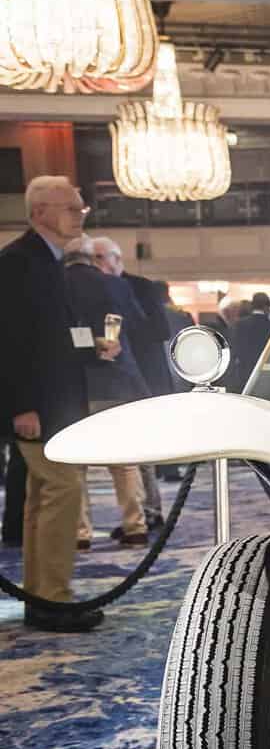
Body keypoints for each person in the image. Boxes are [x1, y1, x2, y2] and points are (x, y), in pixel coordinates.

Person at [0, 176, 101, 631]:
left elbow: (46, 338)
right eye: (71, 208)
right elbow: (9, 341)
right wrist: (21, 405)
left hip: (54, 403)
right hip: (36, 406)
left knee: (44, 497)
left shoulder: (47, 261)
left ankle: (44, 597)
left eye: (81, 208)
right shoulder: (19, 263)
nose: (80, 215)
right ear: (40, 212)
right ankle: (52, 599)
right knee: (62, 491)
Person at [63, 239, 152, 548]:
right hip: (116, 380)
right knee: (124, 461)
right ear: (93, 259)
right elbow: (139, 325)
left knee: (75, 464)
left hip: (73, 383)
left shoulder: (58, 284)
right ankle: (135, 527)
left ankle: (80, 534)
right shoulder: (116, 285)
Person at [87, 234, 167, 526]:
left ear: (116, 259)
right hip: (115, 376)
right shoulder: (94, 289)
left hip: (141, 372)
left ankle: (153, 510)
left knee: (141, 451)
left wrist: (123, 336)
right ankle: (141, 513)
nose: (93, 266)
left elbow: (158, 330)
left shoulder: (141, 287)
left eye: (98, 258)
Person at [225, 292, 270, 393]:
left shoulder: (239, 324)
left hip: (243, 372)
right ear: (267, 307)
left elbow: (233, 349)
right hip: (264, 374)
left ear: (253, 306)